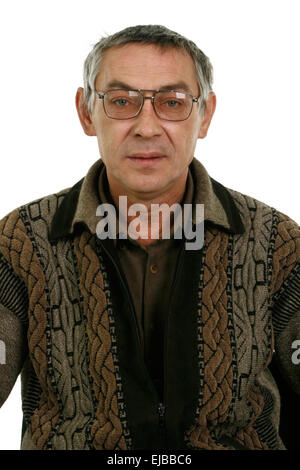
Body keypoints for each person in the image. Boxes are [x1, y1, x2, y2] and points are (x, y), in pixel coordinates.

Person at [0, 24, 299, 451]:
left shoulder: (276, 243)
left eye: (171, 103)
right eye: (121, 101)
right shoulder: (22, 241)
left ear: (206, 115)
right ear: (86, 112)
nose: (146, 127)